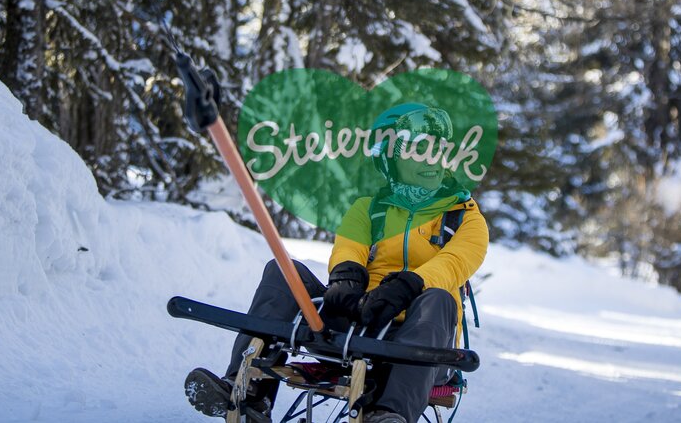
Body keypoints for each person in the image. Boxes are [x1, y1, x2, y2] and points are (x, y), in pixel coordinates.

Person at [185, 103, 489, 423]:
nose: (432, 157)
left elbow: (455, 264)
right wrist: (346, 279)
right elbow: (350, 246)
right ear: (391, 159)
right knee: (283, 271)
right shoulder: (368, 209)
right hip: (359, 323)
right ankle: (246, 394)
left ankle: (390, 415)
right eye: (419, 148)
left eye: (439, 148)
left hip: (421, 342)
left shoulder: (466, 218)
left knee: (439, 299)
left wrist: (407, 286)